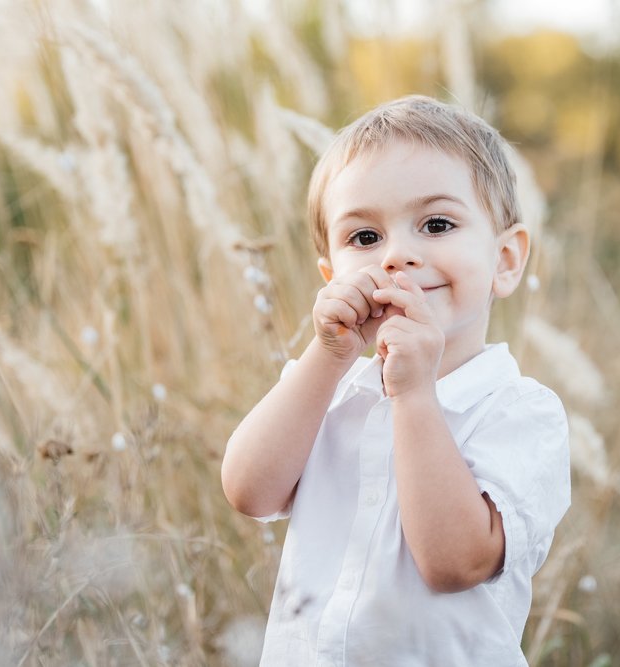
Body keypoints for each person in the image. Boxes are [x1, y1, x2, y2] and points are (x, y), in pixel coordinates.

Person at [221, 95, 571, 666]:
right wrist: (327, 355)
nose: (397, 256)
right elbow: (248, 491)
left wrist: (413, 395)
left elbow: (454, 562)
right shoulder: (324, 390)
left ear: (505, 260)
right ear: (331, 277)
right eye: (365, 238)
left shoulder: (521, 413)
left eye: (436, 224)